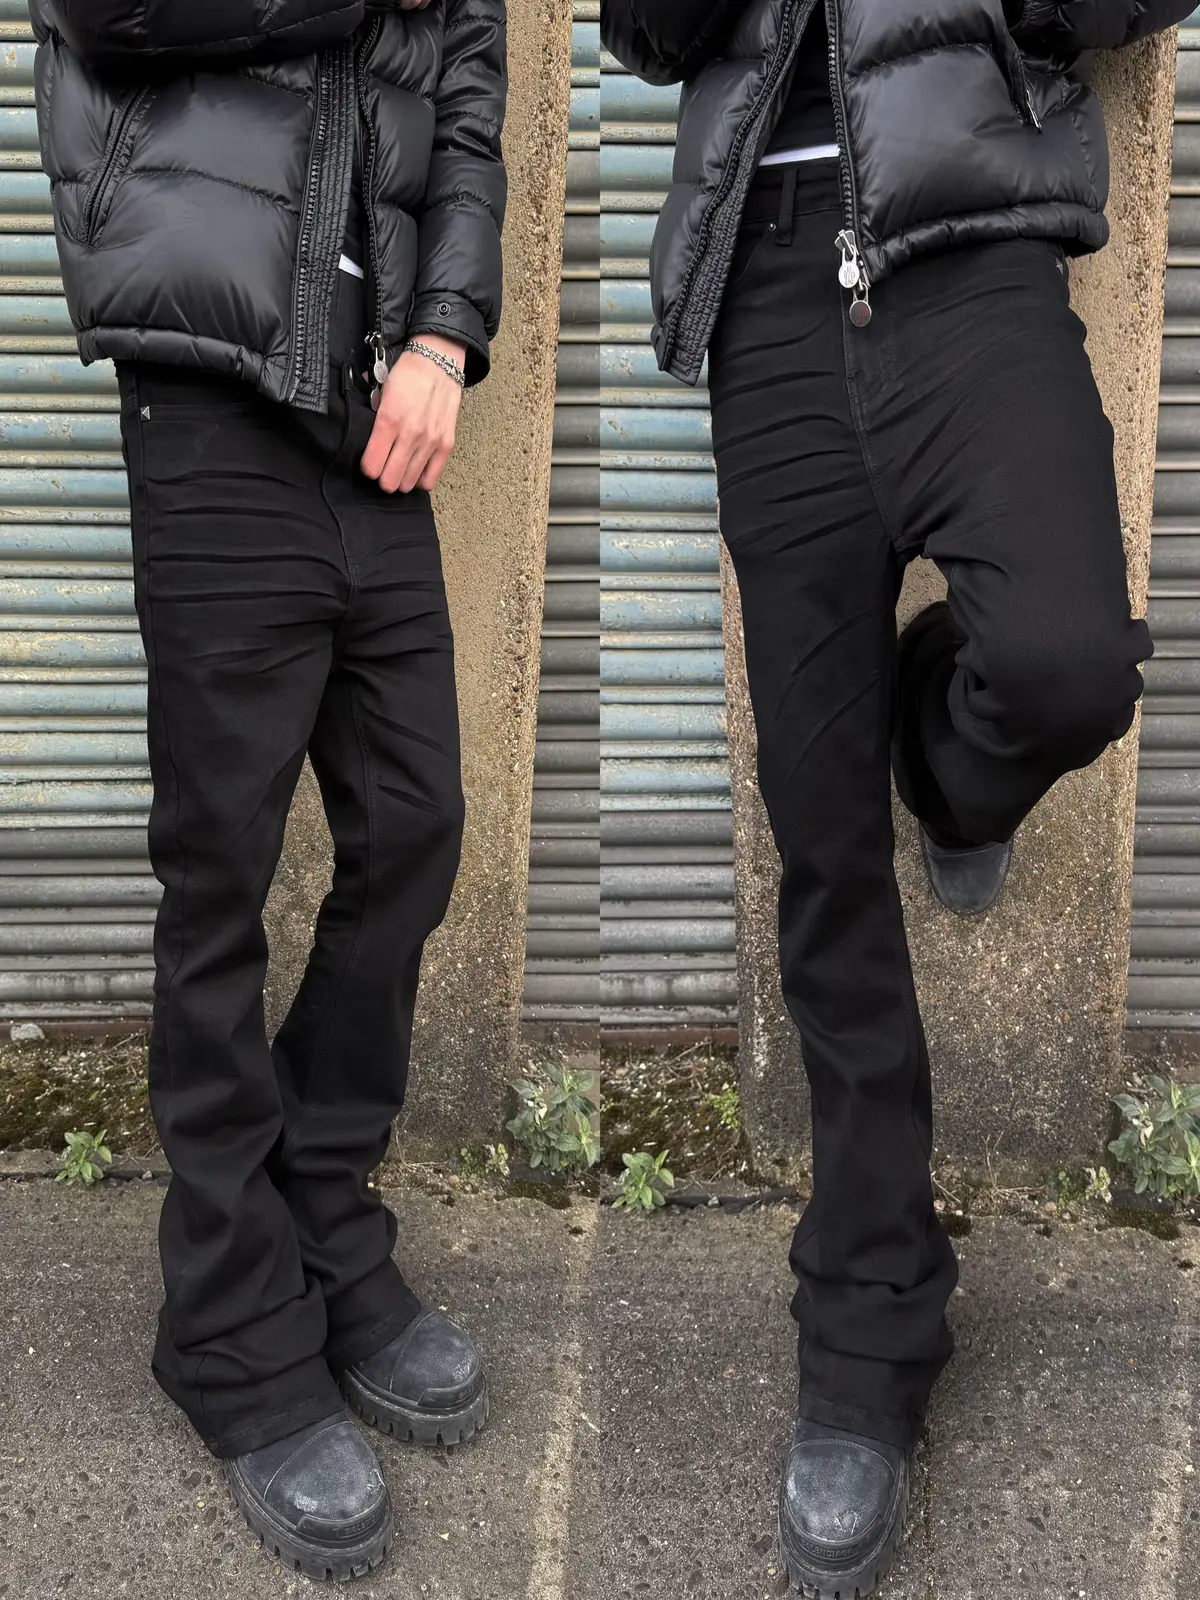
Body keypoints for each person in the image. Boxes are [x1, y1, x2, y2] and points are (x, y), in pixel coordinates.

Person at [600, 0, 1191, 1595]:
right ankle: (869, 1331)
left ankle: (947, 763)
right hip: (767, 279)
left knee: (1068, 667)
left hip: (973, 258)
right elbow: (643, 33)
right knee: (823, 842)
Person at [30, 0, 506, 1582]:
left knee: (415, 826)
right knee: (220, 874)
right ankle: (227, 1323)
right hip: (213, 382)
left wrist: (444, 334)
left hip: (376, 400)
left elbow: (471, 104)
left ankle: (315, 1209)